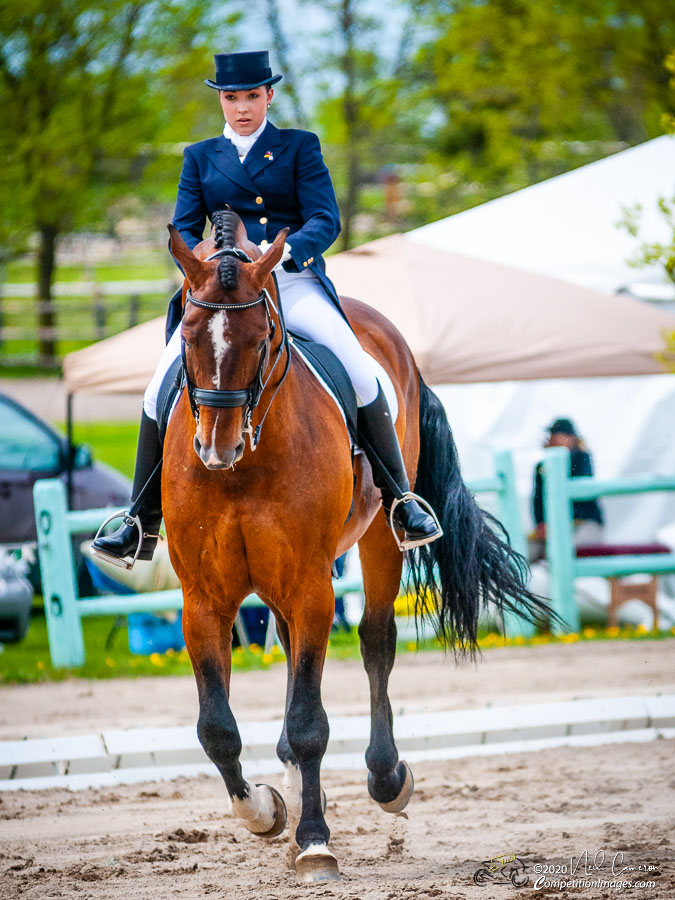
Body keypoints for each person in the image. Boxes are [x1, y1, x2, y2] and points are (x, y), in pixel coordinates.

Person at [94, 50, 442, 568]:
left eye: (251, 97)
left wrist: (281, 256)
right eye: (231, 98)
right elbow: (186, 225)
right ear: (221, 99)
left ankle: (400, 500)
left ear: (268, 96)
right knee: (155, 388)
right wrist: (209, 262)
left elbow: (325, 218)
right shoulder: (200, 156)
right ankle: (140, 520)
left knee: (358, 367)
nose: (241, 108)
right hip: (221, 288)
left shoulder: (299, 147)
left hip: (289, 280)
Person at [530, 417, 604, 560]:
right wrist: (542, 524)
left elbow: (583, 497)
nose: (554, 439)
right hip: (554, 527)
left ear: (571, 438)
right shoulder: (542, 466)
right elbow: (537, 500)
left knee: (562, 550)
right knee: (527, 549)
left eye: (559, 435)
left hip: (583, 523)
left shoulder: (582, 459)